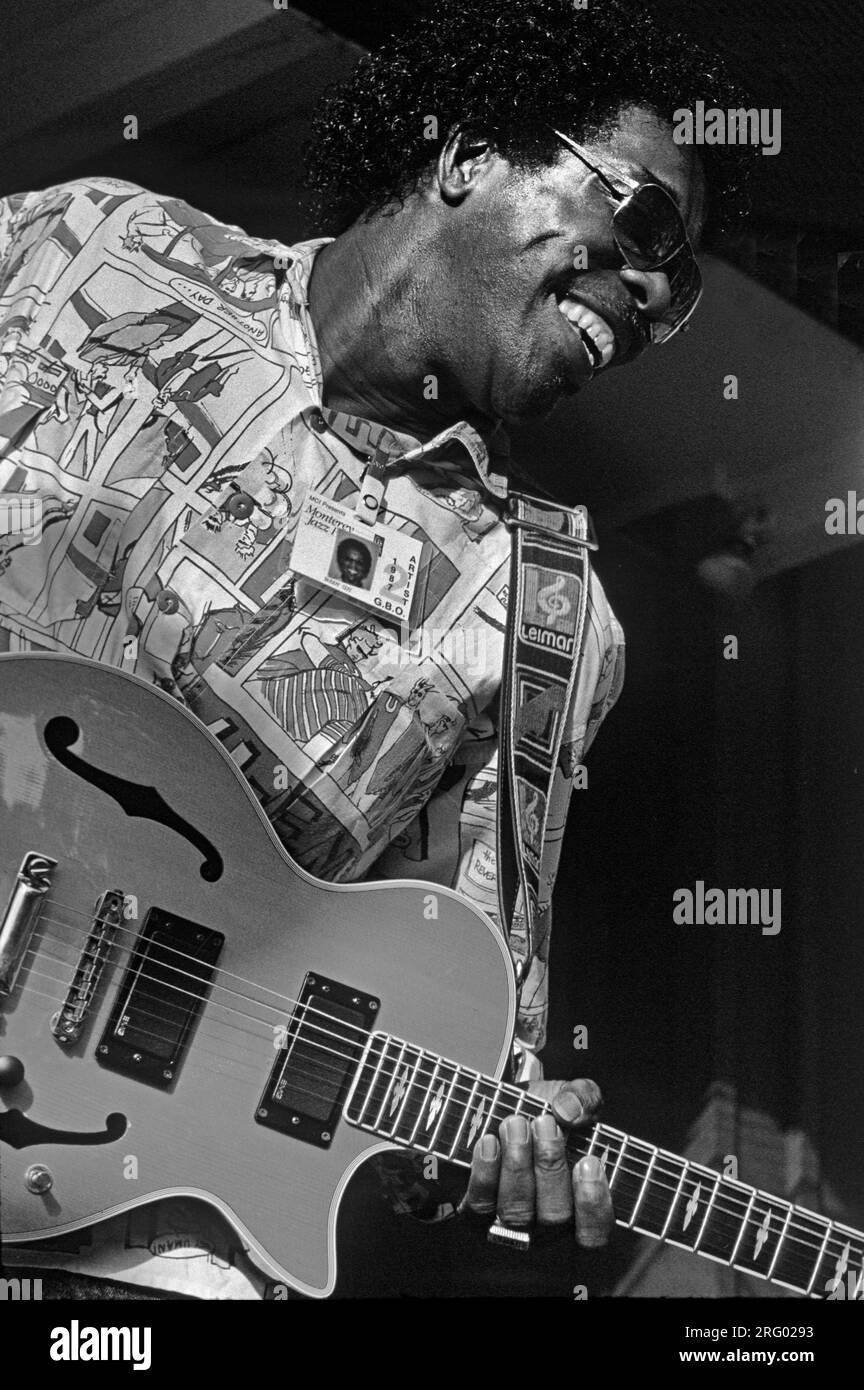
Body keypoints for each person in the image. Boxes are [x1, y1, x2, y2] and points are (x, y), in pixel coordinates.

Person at [0, 0, 749, 1297]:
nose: (644, 302)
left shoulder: (536, 607)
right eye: (644, 232)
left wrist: (487, 1145)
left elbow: (464, 1030)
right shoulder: (90, 245)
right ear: (468, 155)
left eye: (674, 299)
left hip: (106, 1212)